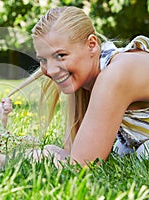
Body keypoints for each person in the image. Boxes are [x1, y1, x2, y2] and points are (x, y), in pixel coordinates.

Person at [26, 6, 149, 166]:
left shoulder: (115, 75)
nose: (50, 70)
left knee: (140, 152)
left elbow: (81, 165)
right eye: (43, 60)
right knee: (124, 152)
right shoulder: (86, 76)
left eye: (61, 56)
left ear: (92, 45)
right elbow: (73, 152)